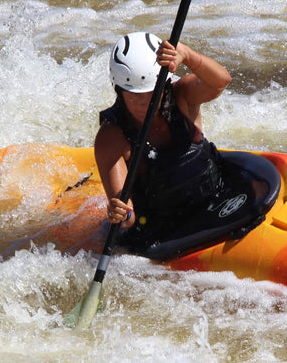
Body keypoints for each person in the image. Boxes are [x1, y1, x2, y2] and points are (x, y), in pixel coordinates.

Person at [94, 31, 233, 253]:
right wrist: (122, 214)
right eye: (135, 94)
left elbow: (221, 82)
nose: (144, 101)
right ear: (119, 90)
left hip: (215, 196)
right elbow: (127, 212)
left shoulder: (182, 95)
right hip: (162, 226)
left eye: (152, 91)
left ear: (163, 83)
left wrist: (186, 54)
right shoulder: (111, 138)